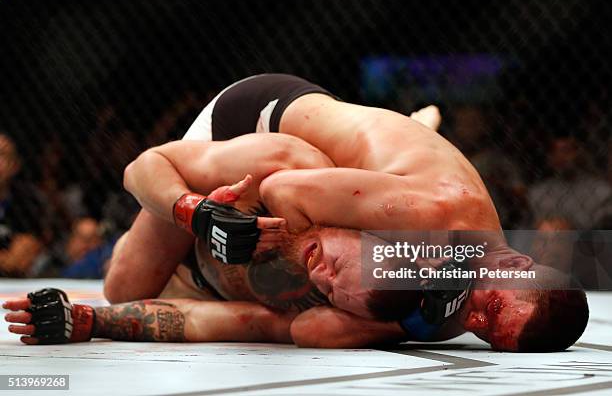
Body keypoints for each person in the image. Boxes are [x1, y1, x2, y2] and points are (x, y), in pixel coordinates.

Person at [4, 75, 589, 351]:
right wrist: (198, 214)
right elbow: (286, 191)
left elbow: (309, 329)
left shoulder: (457, 288)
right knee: (126, 282)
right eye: (489, 310)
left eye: (488, 335)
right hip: (261, 121)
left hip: (360, 191)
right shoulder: (437, 216)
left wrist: (402, 321)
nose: (473, 324)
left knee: (308, 284)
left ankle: (408, 131)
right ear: (518, 264)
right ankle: (403, 132)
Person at [0, 133, 48, 277]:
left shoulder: (27, 202)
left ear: (14, 165)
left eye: (1, 155)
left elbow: (18, 261)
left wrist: (9, 260)